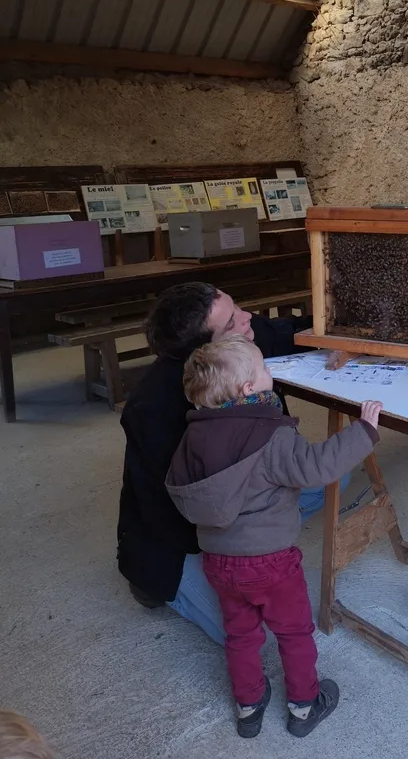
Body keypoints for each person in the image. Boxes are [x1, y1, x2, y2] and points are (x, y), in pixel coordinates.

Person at [165, 334, 382, 738]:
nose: (270, 373)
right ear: (249, 388)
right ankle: (304, 707)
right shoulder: (270, 436)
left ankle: (248, 707)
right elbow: (316, 468)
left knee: (241, 635)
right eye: (264, 368)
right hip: (271, 563)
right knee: (293, 632)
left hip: (218, 560)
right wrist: (363, 431)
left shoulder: (191, 437)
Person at [117, 282, 349, 643]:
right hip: (184, 535)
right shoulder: (151, 411)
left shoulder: (242, 340)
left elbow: (291, 331)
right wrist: (246, 554)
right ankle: (156, 587)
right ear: (208, 355)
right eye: (231, 323)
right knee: (248, 634)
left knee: (337, 477)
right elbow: (167, 512)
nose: (247, 318)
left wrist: (337, 330)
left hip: (244, 492)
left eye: (237, 307)